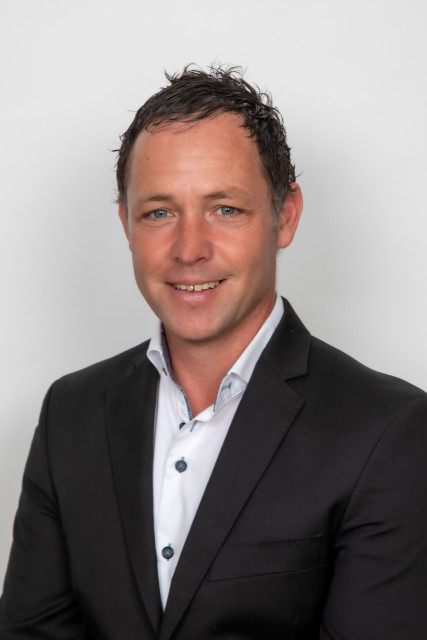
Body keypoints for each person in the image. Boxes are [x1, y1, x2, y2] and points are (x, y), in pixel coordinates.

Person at [1, 66, 427, 640]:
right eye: (159, 212)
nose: (189, 249)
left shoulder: (388, 431)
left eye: (225, 208)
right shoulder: (70, 412)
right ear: (126, 223)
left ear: (285, 216)